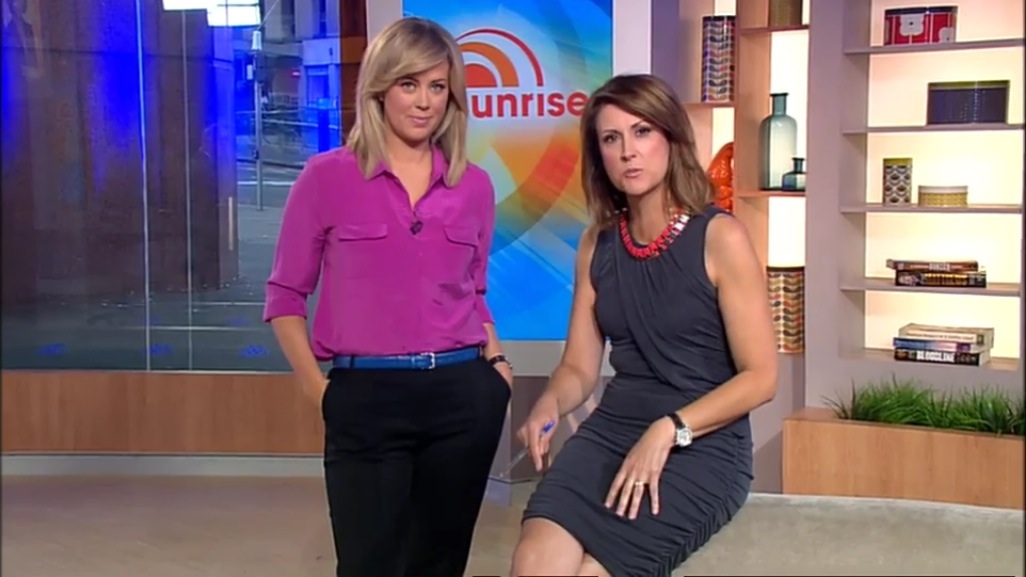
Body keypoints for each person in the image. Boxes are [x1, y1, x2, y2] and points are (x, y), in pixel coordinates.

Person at [262, 17, 512, 577]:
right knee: (368, 564)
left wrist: (497, 367)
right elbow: (284, 296)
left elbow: (472, 290)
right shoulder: (325, 178)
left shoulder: (474, 185)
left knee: (439, 565)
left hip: (462, 395)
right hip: (366, 398)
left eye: (437, 87)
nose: (424, 102)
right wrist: (320, 392)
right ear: (379, 88)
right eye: (409, 84)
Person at [509, 73, 779, 577]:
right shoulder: (597, 243)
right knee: (533, 564)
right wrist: (549, 403)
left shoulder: (721, 237)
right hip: (613, 429)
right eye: (611, 139)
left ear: (671, 139)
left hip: (701, 442)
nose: (628, 152)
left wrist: (670, 428)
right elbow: (579, 368)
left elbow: (761, 377)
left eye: (642, 132)